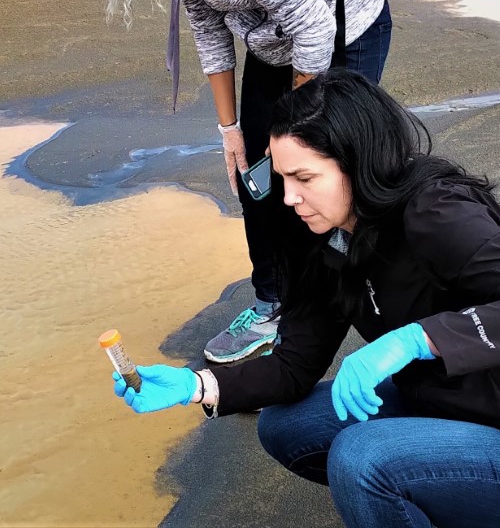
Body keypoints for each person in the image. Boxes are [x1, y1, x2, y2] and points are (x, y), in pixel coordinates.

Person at [112, 68, 500, 528]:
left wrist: (416, 339)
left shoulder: (437, 211)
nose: (290, 197)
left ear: (357, 162)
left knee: (363, 459)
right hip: (441, 403)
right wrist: (198, 385)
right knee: (287, 427)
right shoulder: (331, 235)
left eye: (305, 177)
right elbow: (294, 364)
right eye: (282, 178)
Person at [63, 0, 393, 363]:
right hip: (271, 34)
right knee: (256, 179)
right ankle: (272, 304)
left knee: (329, 168)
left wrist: (293, 134)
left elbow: (311, 23)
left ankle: (376, 298)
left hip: (341, 21)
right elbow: (209, 25)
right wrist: (231, 132)